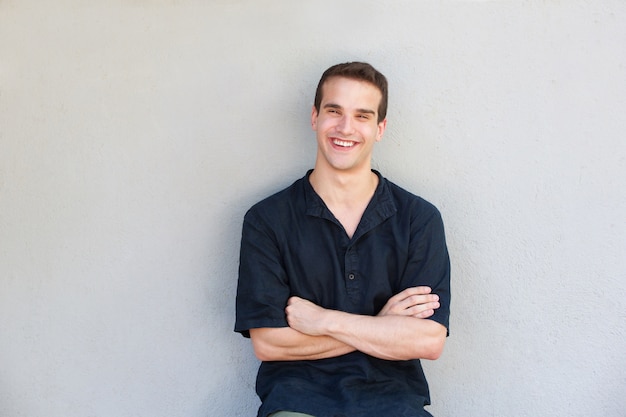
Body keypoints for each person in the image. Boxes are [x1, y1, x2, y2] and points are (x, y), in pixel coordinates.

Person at [235, 62, 451, 417]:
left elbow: (427, 340)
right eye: (334, 111)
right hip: (297, 401)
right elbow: (269, 342)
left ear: (380, 128)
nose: (346, 128)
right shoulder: (267, 219)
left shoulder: (419, 219)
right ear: (315, 116)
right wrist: (381, 325)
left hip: (394, 402)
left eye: (362, 116)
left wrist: (324, 321)